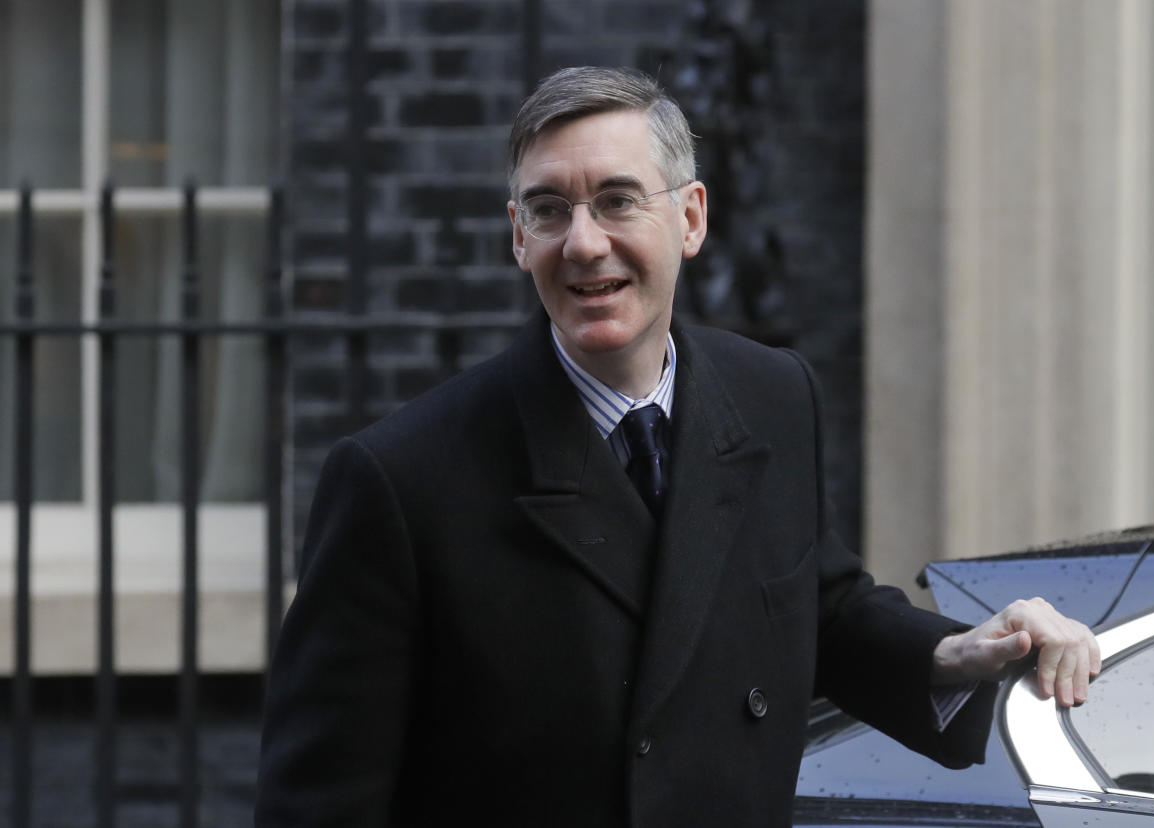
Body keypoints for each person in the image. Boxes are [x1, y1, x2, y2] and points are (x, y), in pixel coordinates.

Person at [255, 66, 1098, 827]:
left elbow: (819, 608)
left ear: (690, 219)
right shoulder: (401, 479)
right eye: (550, 210)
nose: (583, 242)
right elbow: (319, 803)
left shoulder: (772, 395)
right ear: (519, 237)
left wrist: (961, 652)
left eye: (618, 200)